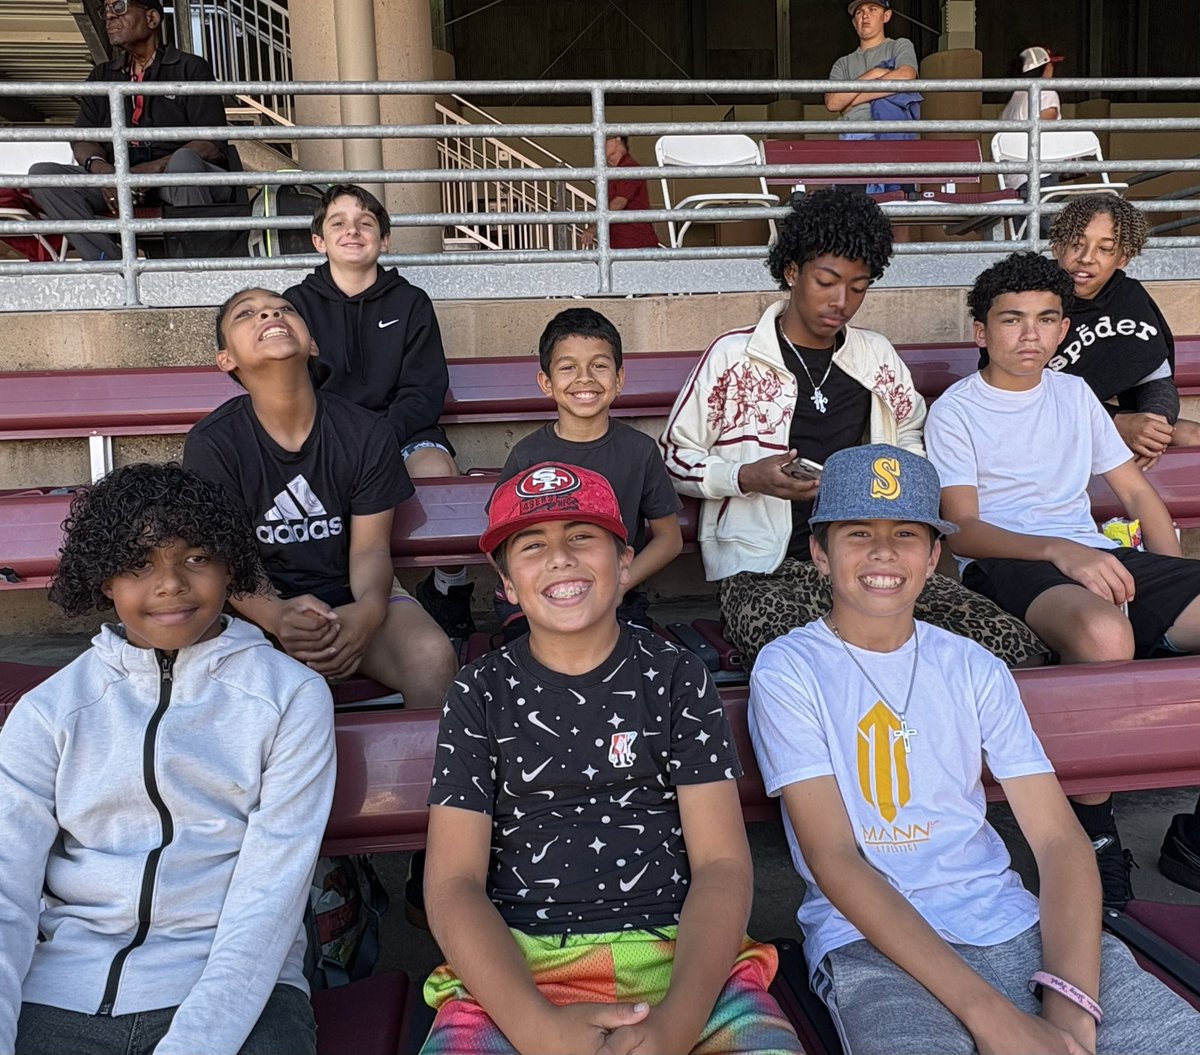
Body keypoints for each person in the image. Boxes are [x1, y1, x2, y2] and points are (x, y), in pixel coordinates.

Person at [748, 443, 1200, 1055]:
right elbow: (835, 858)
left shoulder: (972, 664)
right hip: (870, 941)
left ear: (935, 555)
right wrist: (996, 1018)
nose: (884, 552)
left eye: (907, 533)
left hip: (1013, 921)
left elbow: (1061, 842)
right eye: (858, 533)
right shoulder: (789, 669)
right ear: (819, 554)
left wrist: (1070, 1005)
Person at [419, 462, 801, 1055]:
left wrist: (677, 1022)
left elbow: (723, 864)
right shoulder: (478, 692)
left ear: (624, 563)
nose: (560, 558)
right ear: (507, 585)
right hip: (517, 966)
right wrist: (535, 1028)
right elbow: (452, 884)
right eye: (531, 545)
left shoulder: (677, 677)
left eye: (581, 537)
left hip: (685, 959)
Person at [0, 462, 335, 1055]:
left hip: (237, 989)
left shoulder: (291, 697)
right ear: (104, 580)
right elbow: (6, 886)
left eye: (196, 557)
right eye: (138, 564)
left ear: (231, 564)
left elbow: (270, 894)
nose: (170, 584)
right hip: (58, 991)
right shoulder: (51, 710)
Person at [659, 187, 1045, 669]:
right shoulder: (734, 358)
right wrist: (747, 477)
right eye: (827, 281)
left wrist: (878, 479)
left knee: (1012, 645)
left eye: (858, 287)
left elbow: (911, 435)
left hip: (879, 561)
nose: (841, 301)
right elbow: (675, 455)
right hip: (767, 571)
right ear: (792, 271)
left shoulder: (874, 355)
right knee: (821, 663)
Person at [925, 251, 1200, 906]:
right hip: (1008, 564)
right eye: (1013, 319)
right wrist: (1061, 550)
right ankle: (1094, 832)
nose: (1031, 334)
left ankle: (1192, 836)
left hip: (1091, 555)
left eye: (1048, 319)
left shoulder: (1075, 395)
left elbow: (1139, 496)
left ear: (1063, 329)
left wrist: (1173, 576)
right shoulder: (958, 410)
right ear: (980, 331)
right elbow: (961, 528)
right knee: (1106, 634)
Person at [183, 286, 458, 710]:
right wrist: (278, 617)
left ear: (311, 343)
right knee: (238, 689)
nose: (268, 315)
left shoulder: (365, 432)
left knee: (432, 656)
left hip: (356, 594)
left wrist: (366, 615)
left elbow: (370, 549)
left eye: (284, 309)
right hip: (256, 607)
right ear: (226, 359)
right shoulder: (213, 443)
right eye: (246, 314)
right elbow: (227, 564)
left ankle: (423, 777)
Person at [283, 184, 475, 639]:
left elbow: (424, 389)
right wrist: (342, 444)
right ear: (319, 241)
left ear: (384, 240)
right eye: (338, 223)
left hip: (402, 432)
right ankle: (336, 597)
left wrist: (378, 440)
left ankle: (450, 590)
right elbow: (293, 389)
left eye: (366, 222)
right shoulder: (296, 304)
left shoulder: (410, 302)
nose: (353, 231)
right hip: (328, 437)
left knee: (435, 468)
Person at [493, 307, 682, 640]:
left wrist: (621, 583)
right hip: (541, 598)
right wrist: (531, 589)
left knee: (629, 664)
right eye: (568, 367)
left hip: (618, 596)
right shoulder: (527, 455)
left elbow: (669, 538)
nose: (585, 378)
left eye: (599, 365)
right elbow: (497, 541)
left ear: (619, 378)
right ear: (546, 383)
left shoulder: (639, 450)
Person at [28, 0, 234, 261]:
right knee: (43, 175)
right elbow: (82, 139)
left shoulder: (190, 68)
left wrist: (150, 170)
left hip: (176, 176)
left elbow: (210, 144)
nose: (110, 16)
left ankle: (196, 266)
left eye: (121, 6)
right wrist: (105, 172)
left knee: (184, 162)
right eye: (107, 10)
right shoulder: (102, 75)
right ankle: (109, 263)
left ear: (152, 19)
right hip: (118, 178)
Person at [1048, 194, 1200, 465]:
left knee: (1191, 436)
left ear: (1123, 259)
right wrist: (1118, 424)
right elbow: (1023, 395)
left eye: (1105, 248)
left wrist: (1154, 426)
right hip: (1041, 423)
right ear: (1057, 247)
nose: (1086, 258)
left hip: (1096, 416)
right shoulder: (1030, 295)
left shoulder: (1128, 298)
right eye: (1075, 244)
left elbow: (1156, 381)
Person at [825, 0, 920, 201]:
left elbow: (905, 75)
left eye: (872, 9)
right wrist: (873, 74)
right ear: (854, 22)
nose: (865, 16)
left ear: (886, 16)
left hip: (894, 139)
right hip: (854, 142)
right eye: (859, 12)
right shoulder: (842, 63)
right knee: (851, 215)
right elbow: (833, 103)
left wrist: (853, 100)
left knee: (900, 215)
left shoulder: (899, 46)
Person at [1000, 46, 1064, 192]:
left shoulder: (1015, 96)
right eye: (1051, 64)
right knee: (1041, 214)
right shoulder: (1046, 92)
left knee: (1024, 215)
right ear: (1045, 67)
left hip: (1014, 177)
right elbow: (1046, 125)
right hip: (1039, 173)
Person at [582, 136, 659, 250]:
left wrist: (594, 228)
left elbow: (618, 203)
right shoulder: (615, 172)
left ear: (618, 140)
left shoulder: (629, 168)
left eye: (604, 140)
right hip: (623, 243)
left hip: (634, 243)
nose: (598, 145)